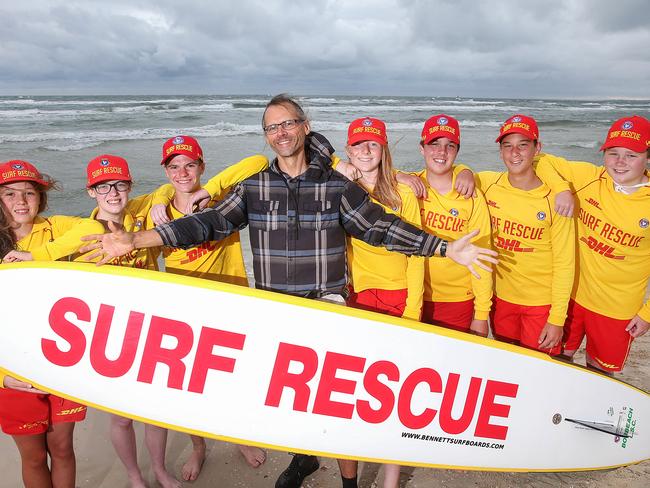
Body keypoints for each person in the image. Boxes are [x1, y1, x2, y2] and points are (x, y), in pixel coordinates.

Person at [81, 94, 498, 488]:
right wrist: (135, 240)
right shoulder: (255, 187)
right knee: (293, 403)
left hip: (327, 308)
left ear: (304, 126)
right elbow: (204, 224)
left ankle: (347, 477)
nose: (280, 132)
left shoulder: (335, 185)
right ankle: (304, 457)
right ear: (267, 137)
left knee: (336, 405)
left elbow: (379, 226)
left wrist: (444, 247)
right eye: (271, 127)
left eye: (287, 123)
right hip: (278, 313)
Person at [151, 135, 269, 476]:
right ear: (166, 172)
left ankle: (240, 438)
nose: (182, 173)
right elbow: (113, 212)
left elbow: (258, 162)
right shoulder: (157, 212)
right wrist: (160, 196)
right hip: (186, 313)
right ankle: (199, 447)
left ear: (201, 166)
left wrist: (210, 187)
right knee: (191, 389)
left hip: (231, 303)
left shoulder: (221, 198)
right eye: (174, 167)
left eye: (190, 164)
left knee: (234, 380)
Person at [0, 159, 103, 488]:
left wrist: (36, 257)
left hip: (61, 361)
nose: (21, 201)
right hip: (14, 371)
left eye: (29, 193)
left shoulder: (54, 227)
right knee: (32, 457)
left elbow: (96, 229)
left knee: (61, 448)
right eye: (10, 194)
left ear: (40, 199)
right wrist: (4, 377)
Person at [340, 116, 424, 488]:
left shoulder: (403, 192)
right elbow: (304, 155)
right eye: (358, 145)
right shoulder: (340, 188)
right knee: (350, 395)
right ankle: (350, 478)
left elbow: (419, 254)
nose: (365, 151)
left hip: (397, 297)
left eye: (373, 144)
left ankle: (390, 480)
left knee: (393, 396)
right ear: (348, 151)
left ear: (384, 149)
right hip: (355, 297)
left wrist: (413, 312)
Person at [534, 115, 650, 373]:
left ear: (647, 157)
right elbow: (539, 159)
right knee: (557, 364)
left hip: (616, 309)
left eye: (631, 155)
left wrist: (647, 314)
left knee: (598, 374)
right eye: (613, 153)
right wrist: (562, 188)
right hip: (572, 298)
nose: (620, 162)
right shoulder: (588, 177)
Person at [474, 115, 575, 355]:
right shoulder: (488, 183)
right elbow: (443, 175)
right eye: (507, 146)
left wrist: (557, 318)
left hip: (541, 304)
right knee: (507, 366)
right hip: (500, 299)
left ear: (537, 148)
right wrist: (464, 172)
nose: (515, 153)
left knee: (540, 372)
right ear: (500, 152)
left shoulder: (557, 200)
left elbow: (565, 262)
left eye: (523, 145)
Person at [412, 114, 493, 335]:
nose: (441, 152)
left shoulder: (471, 195)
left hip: (457, 301)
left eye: (450, 146)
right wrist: (400, 176)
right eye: (434, 144)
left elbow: (482, 256)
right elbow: (375, 173)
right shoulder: (409, 187)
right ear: (422, 148)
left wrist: (481, 315)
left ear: (457, 152)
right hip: (412, 297)